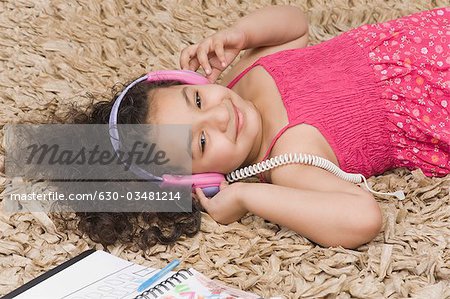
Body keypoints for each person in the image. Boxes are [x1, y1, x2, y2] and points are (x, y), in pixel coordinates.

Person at [69, 5, 450, 250]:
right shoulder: (287, 161)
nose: (219, 116)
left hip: (432, 36)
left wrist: (242, 34)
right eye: (201, 141)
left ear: (190, 80)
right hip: (437, 102)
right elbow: (362, 218)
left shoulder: (244, 79)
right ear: (200, 180)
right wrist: (246, 197)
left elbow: (295, 24)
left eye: (198, 100)